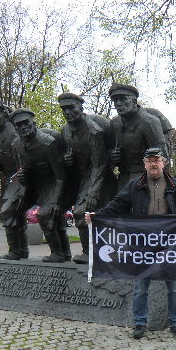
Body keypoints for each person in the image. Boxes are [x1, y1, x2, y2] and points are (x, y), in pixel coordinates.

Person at [86, 147, 176, 339]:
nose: (153, 164)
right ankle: (140, 323)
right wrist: (97, 216)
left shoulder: (175, 185)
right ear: (144, 164)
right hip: (142, 244)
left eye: (157, 160)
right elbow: (117, 205)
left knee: (174, 285)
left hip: (168, 243)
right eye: (149, 161)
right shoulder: (135, 185)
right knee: (141, 286)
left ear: (163, 163)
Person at [57, 92, 117, 264]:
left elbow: (99, 165)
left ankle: (92, 254)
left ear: (80, 108)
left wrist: (93, 193)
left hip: (100, 179)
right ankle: (97, 253)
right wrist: (68, 160)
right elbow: (70, 157)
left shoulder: (93, 130)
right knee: (94, 217)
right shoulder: (65, 131)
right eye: (64, 109)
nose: (67, 112)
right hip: (83, 178)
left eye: (71, 108)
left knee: (82, 213)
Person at [7, 108, 70, 262]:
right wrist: (22, 176)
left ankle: (60, 253)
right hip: (32, 186)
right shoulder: (16, 145)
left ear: (33, 122)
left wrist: (56, 201)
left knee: (45, 214)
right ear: (15, 128)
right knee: (10, 209)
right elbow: (20, 169)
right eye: (18, 125)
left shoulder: (48, 143)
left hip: (53, 184)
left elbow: (61, 176)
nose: (23, 127)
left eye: (26, 123)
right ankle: (18, 251)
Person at [0, 102, 27, 260]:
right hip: (11, 177)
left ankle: (17, 251)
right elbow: (4, 157)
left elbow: (24, 154)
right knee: (12, 212)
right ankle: (19, 250)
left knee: (8, 210)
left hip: (23, 174)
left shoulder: (16, 131)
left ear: (4, 114)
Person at [108, 83, 168, 190]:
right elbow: (110, 152)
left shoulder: (149, 122)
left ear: (134, 101)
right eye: (115, 100)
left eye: (123, 99)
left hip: (145, 178)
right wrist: (113, 157)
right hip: (124, 178)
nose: (118, 103)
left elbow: (162, 158)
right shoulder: (114, 124)